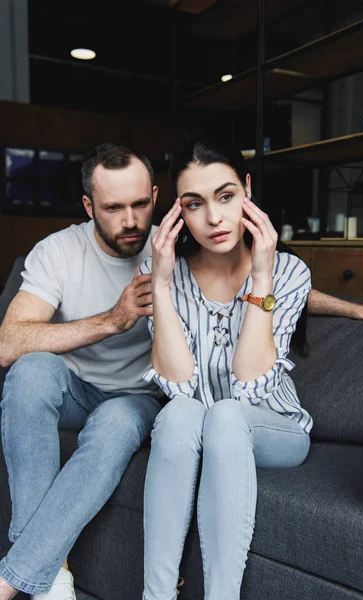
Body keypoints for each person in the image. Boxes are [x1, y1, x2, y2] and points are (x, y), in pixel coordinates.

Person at [139, 138, 313, 600]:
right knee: (178, 413)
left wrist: (261, 277)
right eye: (194, 204)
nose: (214, 219)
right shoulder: (164, 271)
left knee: (226, 412)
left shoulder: (288, 273)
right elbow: (177, 385)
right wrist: (158, 281)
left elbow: (250, 381)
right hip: (198, 420)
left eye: (226, 196)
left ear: (247, 191)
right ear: (177, 213)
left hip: (273, 425)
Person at [0, 142, 163, 600]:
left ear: (154, 195)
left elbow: (258, 279)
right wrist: (113, 320)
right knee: (31, 372)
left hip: (137, 396)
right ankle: (51, 577)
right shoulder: (58, 251)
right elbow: (8, 344)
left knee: (116, 422)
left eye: (140, 204)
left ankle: (25, 580)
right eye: (113, 208)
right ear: (90, 206)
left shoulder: (174, 247)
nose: (130, 221)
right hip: (75, 389)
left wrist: (360, 311)